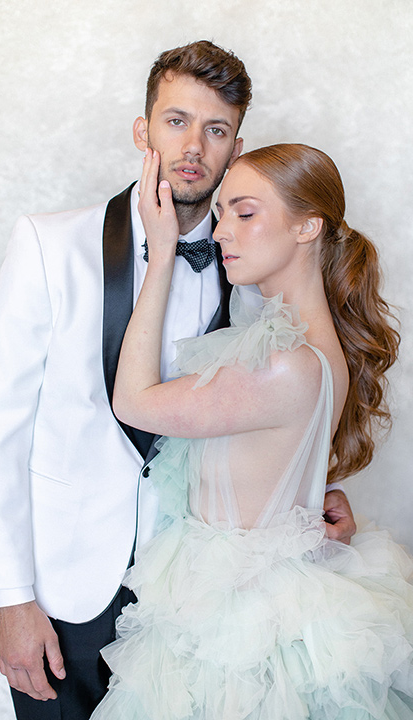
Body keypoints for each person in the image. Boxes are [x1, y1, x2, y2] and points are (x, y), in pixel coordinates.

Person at [0, 42, 356, 719]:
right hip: (66, 595)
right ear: (142, 130)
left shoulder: (254, 265)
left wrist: (311, 492)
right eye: (176, 121)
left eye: (216, 129)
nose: (193, 147)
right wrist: (11, 597)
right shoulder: (48, 245)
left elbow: (266, 411)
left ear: (238, 144)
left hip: (196, 606)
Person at [89, 145, 413, 719]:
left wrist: (160, 253)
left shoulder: (287, 362)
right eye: (221, 214)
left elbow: (133, 401)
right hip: (231, 606)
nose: (219, 233)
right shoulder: (297, 348)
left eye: (244, 213)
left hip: (240, 629)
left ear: (307, 226)